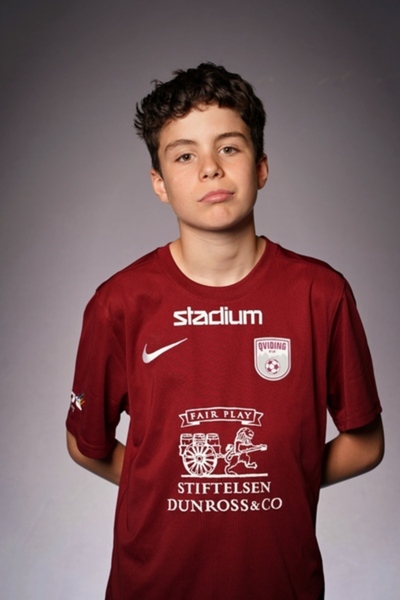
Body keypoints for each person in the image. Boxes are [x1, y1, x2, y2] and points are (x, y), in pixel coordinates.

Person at [66, 63, 384, 599]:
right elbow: (85, 443)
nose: (210, 169)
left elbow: (366, 443)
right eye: (184, 155)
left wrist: (276, 477)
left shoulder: (320, 293)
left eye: (229, 148)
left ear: (261, 167)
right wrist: (177, 482)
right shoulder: (119, 302)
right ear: (159, 183)